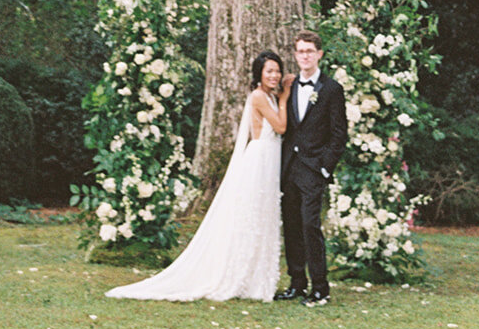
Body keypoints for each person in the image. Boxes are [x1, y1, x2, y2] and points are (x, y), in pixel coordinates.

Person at [106, 50, 287, 302]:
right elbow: (280, 126)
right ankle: (241, 276)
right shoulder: (258, 96)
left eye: (277, 70)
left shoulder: (269, 96)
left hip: (270, 159)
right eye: (269, 70)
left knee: (262, 216)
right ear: (259, 74)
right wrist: (286, 97)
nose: (274, 75)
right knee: (252, 216)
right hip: (260, 158)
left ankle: (257, 278)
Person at [275, 31, 348, 306]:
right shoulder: (289, 86)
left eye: (309, 51)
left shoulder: (331, 89)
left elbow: (339, 135)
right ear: (295, 55)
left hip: (314, 169)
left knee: (309, 225)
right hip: (290, 169)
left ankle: (320, 287)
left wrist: (324, 168)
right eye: (300, 51)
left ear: (319, 54)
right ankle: (297, 283)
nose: (304, 55)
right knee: (292, 226)